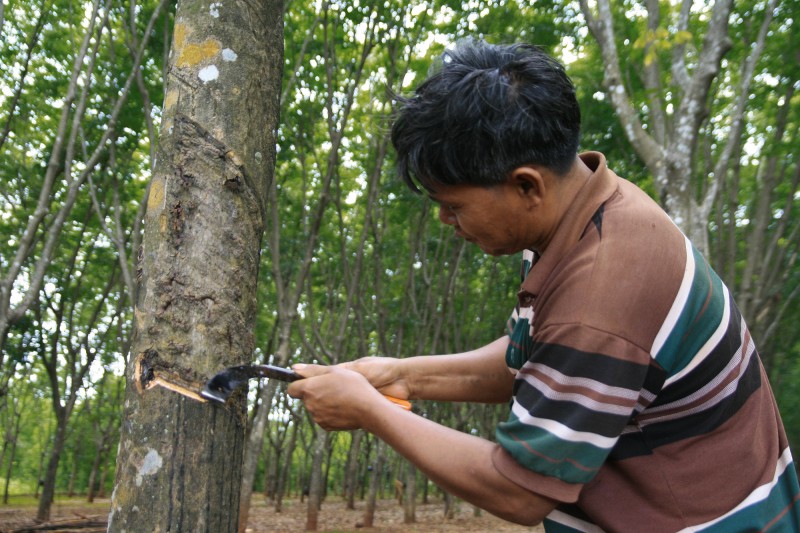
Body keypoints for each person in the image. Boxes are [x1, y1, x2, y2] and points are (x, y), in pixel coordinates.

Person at [287, 39, 800, 532]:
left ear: (527, 185)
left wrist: (371, 412)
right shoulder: (588, 213)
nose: (446, 220)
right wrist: (401, 376)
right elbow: (536, 357)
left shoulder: (602, 291)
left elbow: (521, 490)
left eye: (454, 204)